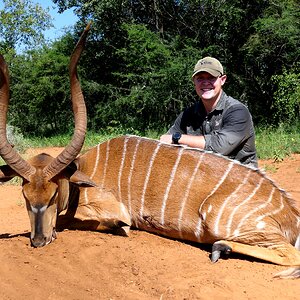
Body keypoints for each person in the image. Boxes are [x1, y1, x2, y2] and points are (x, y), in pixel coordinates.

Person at [160, 56, 258, 168]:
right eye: (200, 78)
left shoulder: (237, 111)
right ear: (194, 82)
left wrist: (177, 138)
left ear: (223, 80)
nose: (205, 83)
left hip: (240, 179)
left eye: (211, 77)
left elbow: (220, 147)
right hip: (205, 177)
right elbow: (164, 143)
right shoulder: (188, 114)